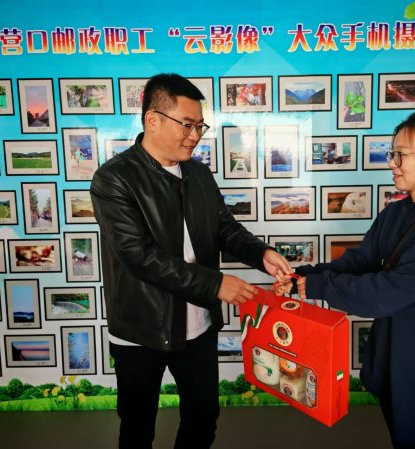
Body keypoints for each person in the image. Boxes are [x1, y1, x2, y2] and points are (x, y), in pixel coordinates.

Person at [90, 73, 291, 449]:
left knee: (203, 418)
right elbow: (139, 256)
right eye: (187, 124)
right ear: (153, 120)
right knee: (137, 428)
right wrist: (216, 284)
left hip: (198, 325)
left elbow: (225, 229)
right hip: (141, 328)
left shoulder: (198, 173)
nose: (195, 135)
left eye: (200, 126)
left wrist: (261, 254)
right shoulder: (114, 179)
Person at [276, 109, 415, 449]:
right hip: (401, 359)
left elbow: (392, 291)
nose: (392, 163)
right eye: (393, 154)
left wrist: (318, 286)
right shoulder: (396, 212)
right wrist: (302, 277)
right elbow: (362, 262)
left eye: (402, 155)